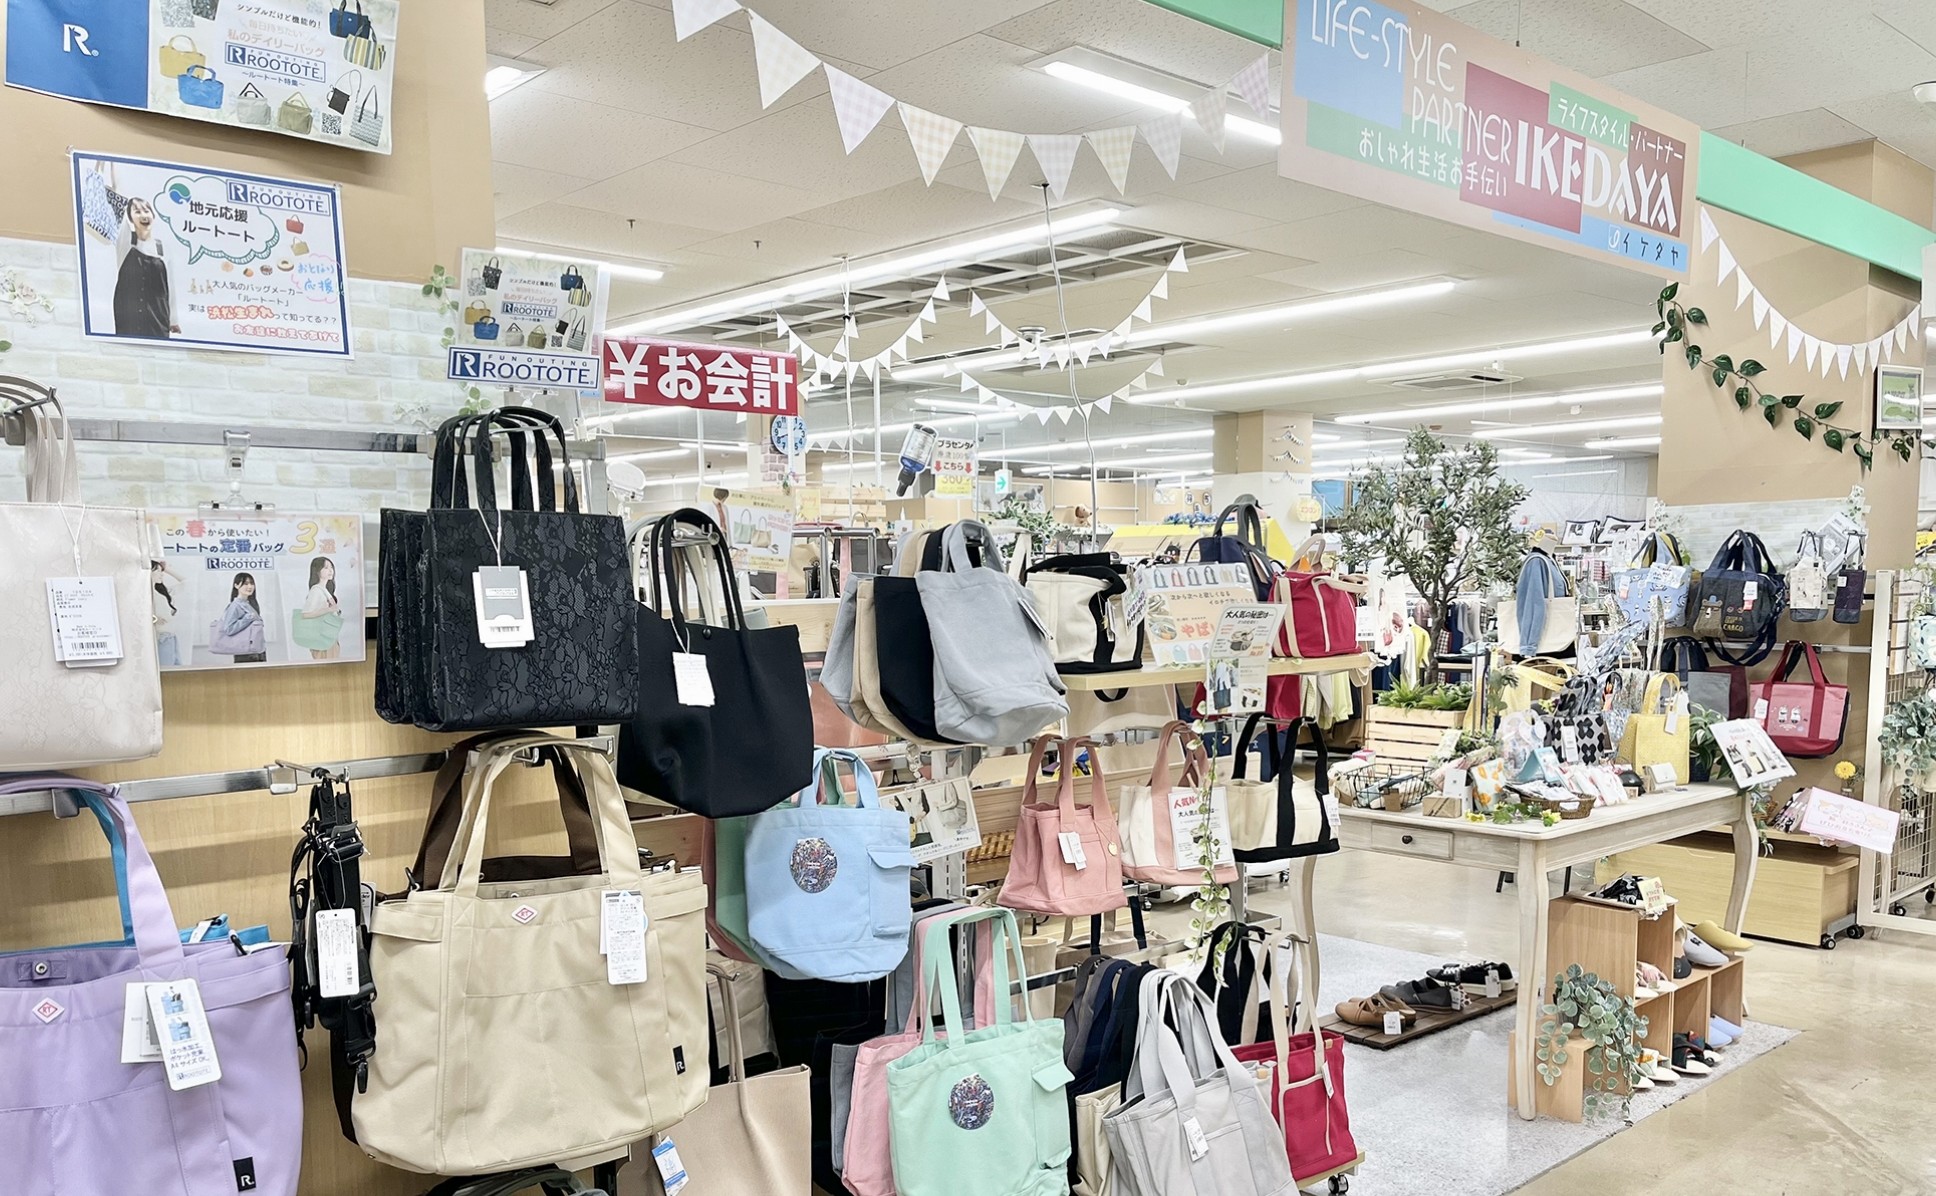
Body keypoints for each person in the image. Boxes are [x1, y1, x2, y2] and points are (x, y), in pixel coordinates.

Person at [112, 198, 183, 340]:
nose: (143, 215)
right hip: (129, 317)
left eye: (146, 210)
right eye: (137, 211)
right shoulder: (125, 243)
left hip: (157, 317)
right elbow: (118, 209)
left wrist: (173, 320)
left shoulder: (163, 249)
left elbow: (171, 286)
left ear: (153, 216)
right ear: (131, 219)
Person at [294, 556, 344, 660]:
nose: (330, 571)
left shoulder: (324, 590)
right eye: (325, 567)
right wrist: (328, 610)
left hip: (329, 638)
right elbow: (305, 614)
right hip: (322, 640)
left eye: (331, 567)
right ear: (317, 571)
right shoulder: (316, 591)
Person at [213, 572, 267, 664]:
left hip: (257, 651)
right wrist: (247, 618)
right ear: (236, 585)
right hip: (245, 653)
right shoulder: (235, 606)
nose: (250, 587)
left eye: (252, 583)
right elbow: (229, 629)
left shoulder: (250, 604)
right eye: (245, 584)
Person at [151, 558, 186, 667]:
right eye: (157, 571)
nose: (161, 574)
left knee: (177, 672)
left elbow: (186, 581)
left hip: (170, 637)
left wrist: (166, 569)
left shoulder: (162, 592)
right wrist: (155, 619)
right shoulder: (144, 595)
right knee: (166, 672)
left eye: (161, 572)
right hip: (160, 637)